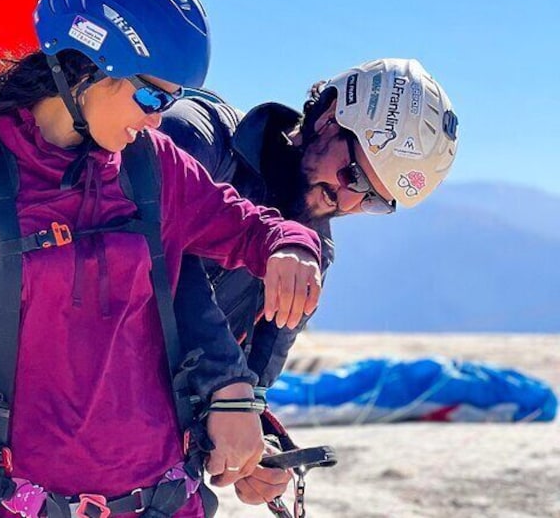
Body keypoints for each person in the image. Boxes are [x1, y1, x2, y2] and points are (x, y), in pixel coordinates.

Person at [0, 0, 325, 517]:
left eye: (172, 102)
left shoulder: (151, 164)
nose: (159, 120)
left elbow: (249, 227)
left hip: (165, 500)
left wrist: (292, 246)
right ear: (89, 65)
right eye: (153, 97)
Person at [160, 58, 459, 504]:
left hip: (150, 466)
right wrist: (229, 390)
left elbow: (253, 384)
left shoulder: (314, 254)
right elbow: (151, 262)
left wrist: (264, 451)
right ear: (327, 117)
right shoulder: (199, 140)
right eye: (353, 174)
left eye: (375, 201)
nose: (349, 200)